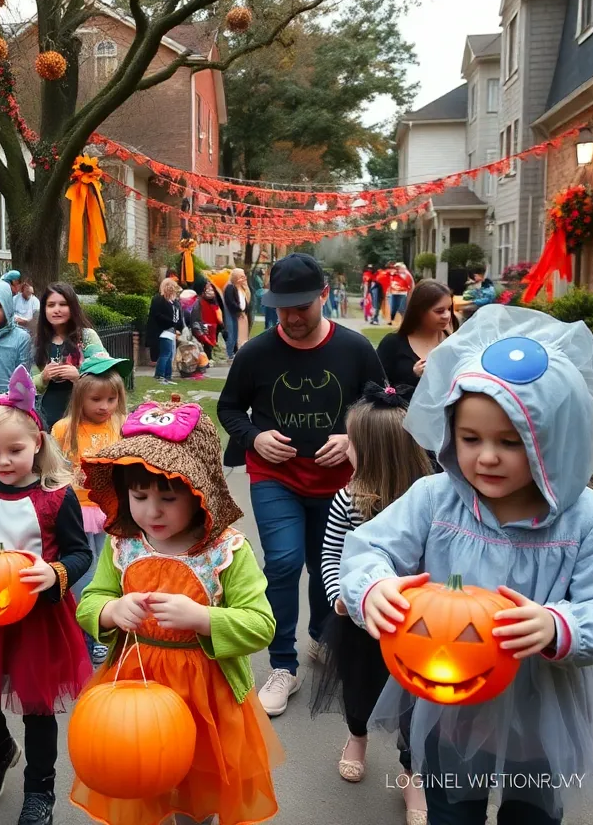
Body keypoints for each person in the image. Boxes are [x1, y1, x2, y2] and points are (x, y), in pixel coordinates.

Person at [342, 307, 593, 825]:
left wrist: (559, 624)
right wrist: (372, 586)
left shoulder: (589, 520)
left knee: (531, 816)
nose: (486, 457)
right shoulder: (434, 499)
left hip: (540, 712)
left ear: (556, 439)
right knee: (449, 811)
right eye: (470, 439)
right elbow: (367, 548)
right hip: (451, 707)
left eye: (511, 442)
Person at [71, 397, 283, 825]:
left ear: (199, 494)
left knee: (196, 785)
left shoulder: (226, 552)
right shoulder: (123, 546)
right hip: (134, 683)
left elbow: (261, 625)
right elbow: (89, 602)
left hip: (206, 694)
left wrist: (203, 618)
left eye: (168, 497)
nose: (152, 510)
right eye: (140, 495)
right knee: (140, 776)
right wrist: (113, 610)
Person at [216, 253, 386, 718]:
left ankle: (321, 639)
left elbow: (384, 408)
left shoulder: (354, 349)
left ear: (324, 297)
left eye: (302, 307)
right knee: (286, 561)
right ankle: (282, 665)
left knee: (324, 562)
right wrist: (254, 436)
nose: (290, 317)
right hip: (277, 477)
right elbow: (229, 408)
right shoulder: (256, 353)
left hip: (340, 483)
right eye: (281, 307)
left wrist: (353, 437)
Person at [0, 366, 93, 825]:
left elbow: (80, 554)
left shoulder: (55, 496)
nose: (4, 461)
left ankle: (40, 790)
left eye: (15, 450)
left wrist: (57, 572)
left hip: (38, 617)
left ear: (38, 446)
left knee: (37, 705)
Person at [311, 384, 431, 825]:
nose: (347, 453)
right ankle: (356, 735)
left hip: (420, 629)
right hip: (359, 623)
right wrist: (338, 598)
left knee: (417, 704)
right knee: (360, 689)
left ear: (377, 451)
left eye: (353, 446)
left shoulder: (430, 502)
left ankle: (411, 772)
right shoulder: (350, 498)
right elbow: (330, 555)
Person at [50, 355, 131, 664]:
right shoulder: (63, 429)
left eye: (111, 399)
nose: (104, 406)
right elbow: (53, 468)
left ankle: (97, 630)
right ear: (80, 397)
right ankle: (83, 634)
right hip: (76, 510)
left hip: (109, 510)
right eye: (96, 399)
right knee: (84, 574)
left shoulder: (120, 424)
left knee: (107, 571)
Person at [33, 283, 106, 431]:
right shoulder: (39, 342)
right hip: (46, 420)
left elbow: (106, 375)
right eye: (51, 305)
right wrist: (43, 376)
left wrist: (79, 376)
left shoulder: (87, 337)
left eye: (63, 304)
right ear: (44, 310)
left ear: (72, 307)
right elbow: (27, 384)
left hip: (81, 416)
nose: (57, 310)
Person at [377, 279, 454, 391]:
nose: (447, 315)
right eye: (439, 311)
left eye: (449, 309)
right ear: (419, 311)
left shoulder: (453, 343)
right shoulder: (392, 343)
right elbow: (376, 387)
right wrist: (412, 376)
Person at [144, 277, 185, 385]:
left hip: (171, 331)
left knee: (170, 354)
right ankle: (160, 375)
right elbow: (157, 315)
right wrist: (171, 322)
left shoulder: (174, 302)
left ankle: (168, 376)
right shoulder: (159, 299)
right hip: (162, 330)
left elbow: (178, 316)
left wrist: (178, 327)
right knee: (165, 353)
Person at [190, 281, 223, 361]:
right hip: (203, 327)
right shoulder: (198, 302)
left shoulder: (213, 301)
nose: (210, 290)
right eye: (207, 288)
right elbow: (196, 318)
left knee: (211, 345)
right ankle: (205, 360)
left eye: (211, 288)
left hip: (212, 327)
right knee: (206, 345)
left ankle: (209, 358)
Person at [224, 268, 252, 354]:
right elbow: (230, 301)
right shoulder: (230, 287)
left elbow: (247, 300)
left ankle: (240, 350)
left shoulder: (243, 288)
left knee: (241, 334)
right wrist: (238, 309)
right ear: (236, 277)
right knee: (233, 333)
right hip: (235, 313)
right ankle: (231, 352)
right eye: (241, 277)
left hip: (243, 314)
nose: (244, 278)